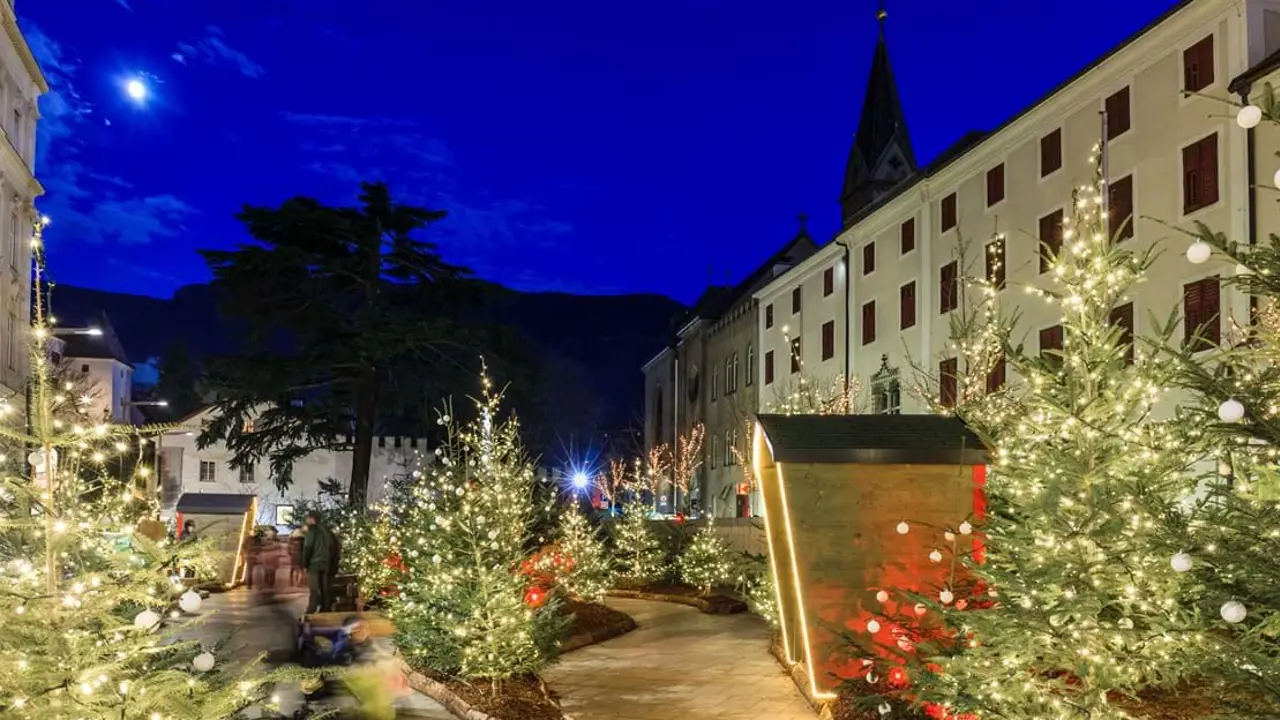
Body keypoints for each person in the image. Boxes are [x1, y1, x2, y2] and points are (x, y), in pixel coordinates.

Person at [301, 511, 335, 614]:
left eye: (308, 518)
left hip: (314, 563)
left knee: (314, 589)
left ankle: (311, 610)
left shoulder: (312, 531)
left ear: (312, 519)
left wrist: (305, 564)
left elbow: (308, 548)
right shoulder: (326, 531)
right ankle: (326, 609)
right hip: (325, 563)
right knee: (324, 588)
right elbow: (332, 547)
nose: (306, 520)